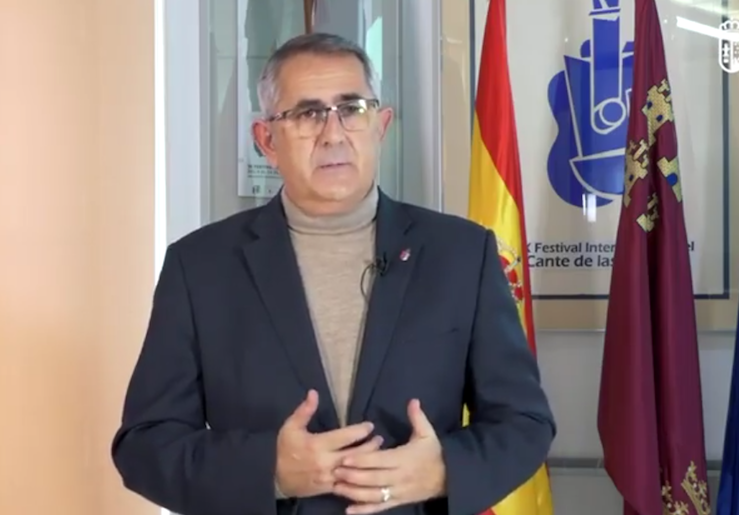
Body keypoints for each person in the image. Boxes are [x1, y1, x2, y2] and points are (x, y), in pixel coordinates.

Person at [111, 32, 555, 515]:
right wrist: (270, 471)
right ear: (266, 140)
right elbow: (144, 446)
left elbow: (525, 423)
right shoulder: (200, 266)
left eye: (352, 109)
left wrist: (444, 470)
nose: (333, 133)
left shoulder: (462, 254)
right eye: (307, 114)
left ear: (381, 125)